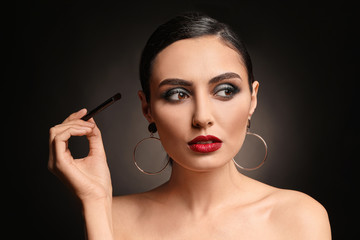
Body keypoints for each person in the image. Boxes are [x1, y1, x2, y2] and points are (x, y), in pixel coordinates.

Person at [48, 12, 331, 239]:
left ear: (253, 98)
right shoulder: (110, 216)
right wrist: (95, 200)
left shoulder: (299, 217)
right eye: (177, 94)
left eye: (224, 90)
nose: (202, 117)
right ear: (147, 108)